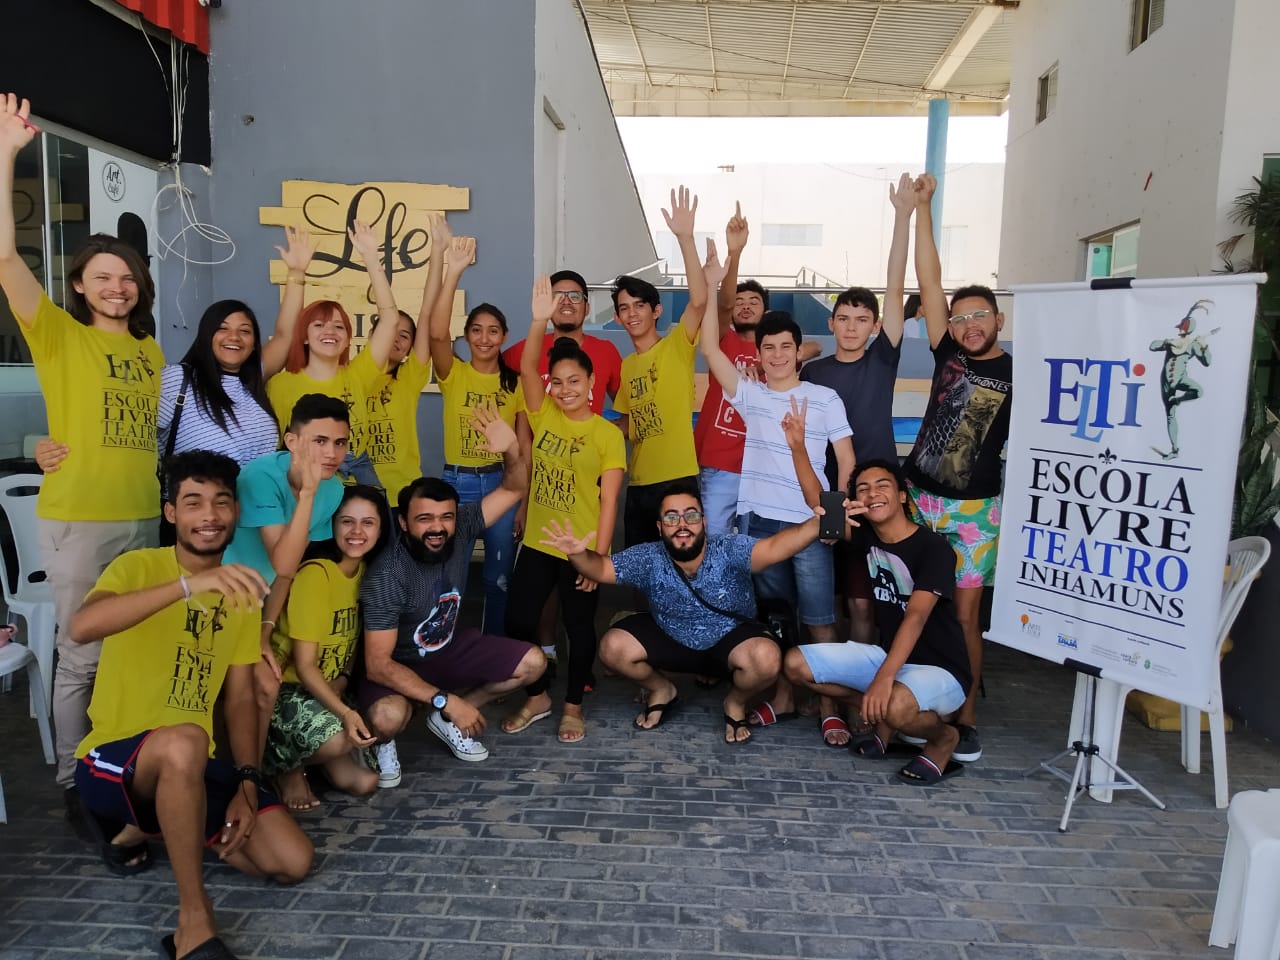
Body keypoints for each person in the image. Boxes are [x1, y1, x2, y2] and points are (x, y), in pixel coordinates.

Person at [69, 450, 312, 960]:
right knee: (186, 739)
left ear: (236, 512)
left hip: (192, 764)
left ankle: (145, 826)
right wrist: (187, 585)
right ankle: (193, 922)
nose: (210, 515)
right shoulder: (139, 566)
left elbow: (241, 697)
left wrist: (247, 781)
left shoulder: (242, 591)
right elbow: (82, 627)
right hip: (111, 758)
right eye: (194, 502)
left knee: (292, 861)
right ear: (171, 512)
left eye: (221, 502)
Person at [0, 92, 164, 829]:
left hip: (141, 518)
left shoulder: (150, 352)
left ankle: (122, 760)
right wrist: (8, 154)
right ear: (78, 285)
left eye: (126, 277)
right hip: (80, 522)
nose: (116, 287)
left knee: (133, 650)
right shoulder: (60, 336)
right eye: (102, 276)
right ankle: (74, 782)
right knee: (82, 654)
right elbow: (5, 258)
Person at [540, 480, 855, 744]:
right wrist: (578, 555)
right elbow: (601, 568)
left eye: (691, 515)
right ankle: (662, 688)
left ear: (703, 521)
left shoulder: (727, 548)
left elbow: (773, 549)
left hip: (730, 640)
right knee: (612, 647)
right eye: (672, 517)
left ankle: (735, 701)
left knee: (766, 658)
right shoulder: (648, 556)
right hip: (670, 636)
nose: (682, 524)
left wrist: (814, 526)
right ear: (660, 527)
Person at [699, 243, 855, 745]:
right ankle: (785, 698)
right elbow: (709, 349)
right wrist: (710, 285)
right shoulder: (750, 394)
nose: (778, 355)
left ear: (798, 350)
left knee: (820, 621)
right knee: (777, 618)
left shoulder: (824, 398)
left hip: (809, 525)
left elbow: (846, 459)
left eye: (786, 347)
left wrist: (835, 519)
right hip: (758, 525)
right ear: (760, 354)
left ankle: (830, 707)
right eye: (769, 348)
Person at [357, 404, 545, 766]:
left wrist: (511, 451)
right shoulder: (387, 573)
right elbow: (378, 665)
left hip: (445, 652)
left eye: (446, 517)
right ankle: (394, 736)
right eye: (424, 519)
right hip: (397, 664)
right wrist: (445, 698)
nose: (437, 527)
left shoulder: (463, 526)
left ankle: (445, 719)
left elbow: (514, 487)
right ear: (404, 522)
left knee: (533, 663)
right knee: (387, 718)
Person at [902, 173, 1013, 763]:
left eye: (980, 316)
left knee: (966, 616)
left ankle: (965, 718)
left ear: (999, 321)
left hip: (975, 513)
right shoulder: (947, 350)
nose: (969, 325)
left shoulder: (1018, 376)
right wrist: (924, 208)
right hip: (919, 501)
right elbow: (929, 280)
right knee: (916, 605)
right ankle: (915, 702)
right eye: (960, 316)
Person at [784, 457, 972, 786]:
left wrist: (883, 679)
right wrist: (797, 446)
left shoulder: (934, 548)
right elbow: (819, 506)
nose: (872, 493)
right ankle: (886, 716)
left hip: (942, 671)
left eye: (882, 485)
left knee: (895, 704)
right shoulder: (868, 536)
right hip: (890, 658)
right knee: (796, 664)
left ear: (902, 495)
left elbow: (916, 616)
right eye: (863, 489)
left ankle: (944, 739)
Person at [502, 278, 626, 743]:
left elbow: (609, 500)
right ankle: (537, 695)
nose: (566, 388)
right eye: (558, 382)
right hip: (539, 542)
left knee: (578, 627)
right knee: (518, 620)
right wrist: (539, 320)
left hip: (579, 548)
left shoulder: (607, 435)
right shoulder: (545, 414)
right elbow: (527, 368)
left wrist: (598, 558)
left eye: (575, 381)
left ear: (592, 383)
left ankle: (573, 706)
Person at [800, 173, 915, 643]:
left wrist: (903, 216)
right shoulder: (812, 373)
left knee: (866, 599)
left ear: (875, 326)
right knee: (826, 595)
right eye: (843, 318)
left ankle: (866, 674)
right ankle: (829, 672)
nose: (851, 327)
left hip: (875, 489)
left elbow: (895, 288)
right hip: (824, 491)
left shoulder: (882, 360)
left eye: (861, 319)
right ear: (831, 323)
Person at [695, 201, 819, 536]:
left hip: (766, 465)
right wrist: (734, 254)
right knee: (716, 543)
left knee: (758, 550)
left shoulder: (775, 351)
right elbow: (722, 304)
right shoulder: (724, 341)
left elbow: (815, 347)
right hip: (722, 462)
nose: (745, 306)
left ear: (767, 311)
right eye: (740, 302)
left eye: (754, 302)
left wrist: (766, 366)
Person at [263, 485, 388, 809]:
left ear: (381, 529)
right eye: (347, 521)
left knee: (365, 781)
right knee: (340, 739)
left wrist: (343, 680)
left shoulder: (366, 572)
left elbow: (354, 641)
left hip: (329, 687)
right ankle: (285, 767)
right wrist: (345, 711)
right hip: (287, 690)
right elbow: (305, 667)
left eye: (368, 523)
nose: (357, 532)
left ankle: (312, 756)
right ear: (331, 525)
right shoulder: (316, 574)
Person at [429, 227, 524, 634]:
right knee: (451, 579)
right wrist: (454, 271)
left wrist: (523, 501)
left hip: (502, 484)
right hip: (459, 483)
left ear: (504, 337)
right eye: (476, 330)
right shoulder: (454, 373)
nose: (485, 338)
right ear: (466, 336)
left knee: (498, 579)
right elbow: (435, 333)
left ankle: (494, 650)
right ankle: (443, 648)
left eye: (493, 331)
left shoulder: (515, 384)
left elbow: (523, 445)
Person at [265, 220, 402, 489]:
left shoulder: (358, 374)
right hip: (308, 483)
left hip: (358, 481)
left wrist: (371, 258)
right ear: (304, 336)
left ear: (348, 339)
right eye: (319, 325)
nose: (330, 331)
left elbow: (390, 320)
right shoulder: (280, 384)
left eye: (339, 326)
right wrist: (296, 272)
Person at [613, 185, 708, 547]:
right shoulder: (626, 366)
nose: (632, 313)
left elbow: (699, 301)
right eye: (624, 308)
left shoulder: (676, 346)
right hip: (638, 482)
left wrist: (685, 238)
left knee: (682, 561)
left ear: (656, 311)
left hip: (677, 479)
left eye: (639, 305)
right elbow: (627, 423)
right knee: (639, 564)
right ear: (617, 318)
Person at [1149, 299, 1213, 460]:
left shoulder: (1193, 345)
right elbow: (1152, 346)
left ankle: (1179, 400)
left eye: (1181, 327)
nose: (1179, 329)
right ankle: (1175, 450)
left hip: (1181, 379)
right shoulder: (1173, 343)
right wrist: (1167, 342)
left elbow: (1207, 362)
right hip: (1166, 382)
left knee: (1199, 391)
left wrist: (1204, 346)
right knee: (1170, 415)